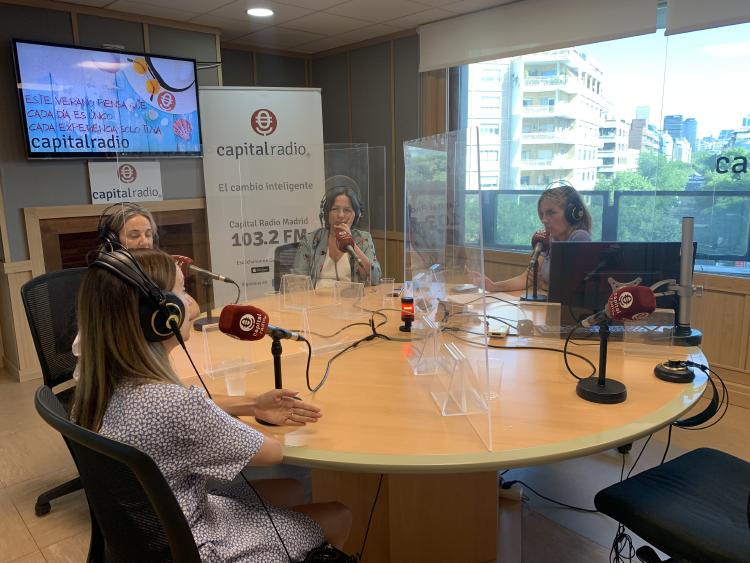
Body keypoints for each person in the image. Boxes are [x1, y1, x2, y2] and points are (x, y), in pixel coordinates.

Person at [72, 248, 351, 561]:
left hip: (160, 529)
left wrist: (252, 406)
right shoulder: (175, 405)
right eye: (182, 291)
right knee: (338, 514)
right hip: (197, 544)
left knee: (291, 490)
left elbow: (188, 407)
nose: (191, 302)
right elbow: (271, 452)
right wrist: (221, 421)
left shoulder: (102, 384)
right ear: (162, 316)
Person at [477, 184, 592, 292]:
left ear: (573, 213)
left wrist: (542, 284)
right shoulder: (550, 240)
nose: (544, 220)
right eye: (542, 214)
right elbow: (526, 279)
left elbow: (570, 289)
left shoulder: (579, 237)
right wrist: (493, 286)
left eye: (551, 213)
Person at [292, 184, 381, 287]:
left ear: (355, 215)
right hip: (316, 301)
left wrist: (350, 243)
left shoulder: (363, 239)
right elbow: (296, 281)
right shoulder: (311, 240)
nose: (341, 215)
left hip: (351, 300)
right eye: (335, 209)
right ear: (327, 213)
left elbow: (375, 279)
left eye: (347, 210)